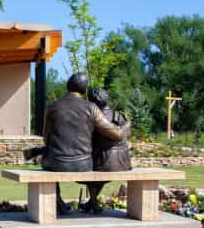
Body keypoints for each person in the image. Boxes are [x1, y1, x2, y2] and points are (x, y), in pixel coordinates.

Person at [24, 73, 125, 213]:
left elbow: (46, 138)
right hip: (83, 164)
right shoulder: (91, 108)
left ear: (67, 86)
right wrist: (126, 126)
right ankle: (89, 202)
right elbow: (115, 134)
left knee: (50, 159)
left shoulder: (51, 107)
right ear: (84, 90)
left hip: (55, 162)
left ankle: (58, 201)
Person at [80, 87, 132, 213]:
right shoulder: (118, 115)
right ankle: (91, 203)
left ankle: (93, 203)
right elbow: (127, 134)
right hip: (123, 161)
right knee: (99, 175)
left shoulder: (93, 118)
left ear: (92, 102)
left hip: (103, 159)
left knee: (92, 173)